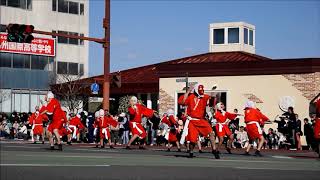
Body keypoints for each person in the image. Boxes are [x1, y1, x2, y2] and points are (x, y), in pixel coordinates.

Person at [178, 83, 219, 159]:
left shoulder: (204, 97)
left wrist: (213, 93)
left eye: (202, 91)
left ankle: (214, 149)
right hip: (192, 121)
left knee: (211, 133)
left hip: (201, 120)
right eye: (199, 91)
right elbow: (182, 102)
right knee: (193, 140)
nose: (201, 93)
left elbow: (211, 103)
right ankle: (191, 151)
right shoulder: (191, 97)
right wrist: (188, 91)